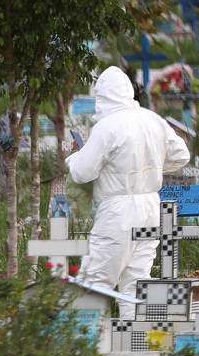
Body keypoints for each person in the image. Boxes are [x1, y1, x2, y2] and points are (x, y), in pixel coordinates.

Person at [66, 65, 190, 308]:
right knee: (137, 281)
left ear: (101, 96)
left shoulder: (108, 126)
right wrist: (152, 167)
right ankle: (135, 343)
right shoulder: (152, 119)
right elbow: (181, 155)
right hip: (150, 206)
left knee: (95, 279)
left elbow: (82, 172)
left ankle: (85, 340)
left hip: (119, 210)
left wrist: (73, 158)